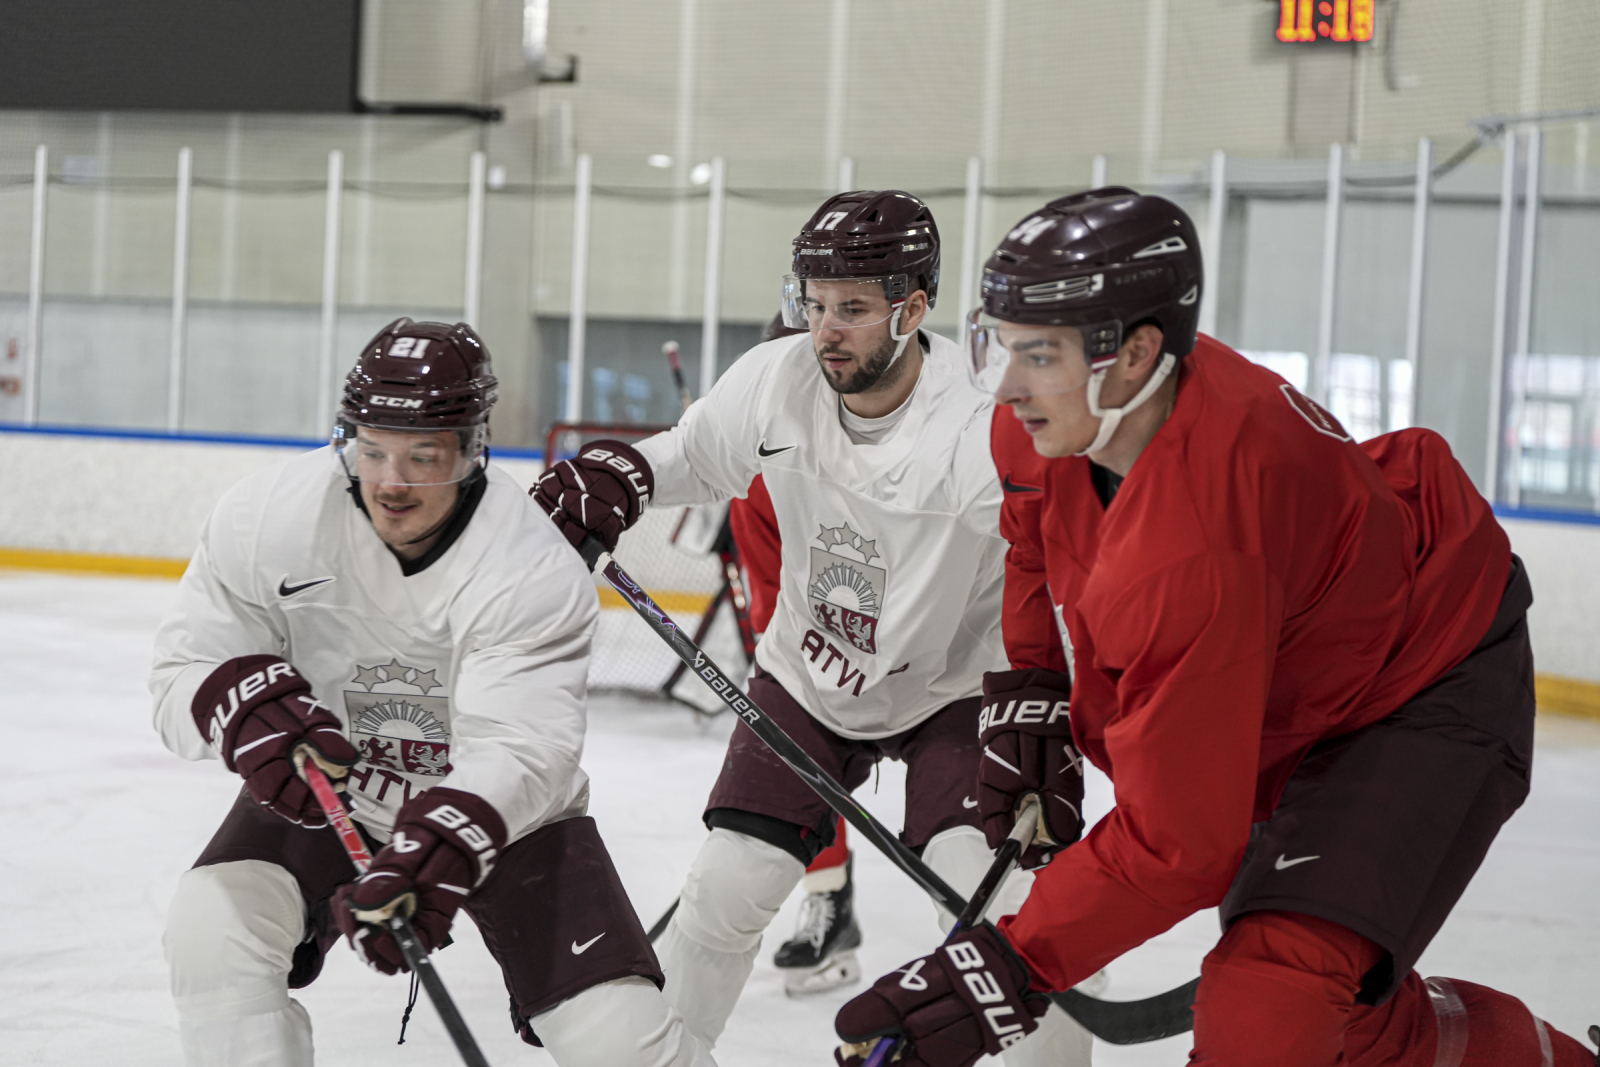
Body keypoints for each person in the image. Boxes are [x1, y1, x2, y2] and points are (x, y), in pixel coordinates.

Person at [834, 188, 1599, 1067]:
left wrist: (1006, 968)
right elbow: (1035, 543)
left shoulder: (1201, 536)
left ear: (1136, 354)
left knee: (1270, 1003)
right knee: (1326, 1012)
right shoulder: (1052, 423)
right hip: (1304, 679)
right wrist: (1037, 689)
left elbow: (1178, 843)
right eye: (1000, 345)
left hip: (1425, 678)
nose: (1006, 386)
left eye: (1037, 356)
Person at [535, 190, 1093, 1064]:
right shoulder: (776, 377)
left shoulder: (977, 417)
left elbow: (1064, 552)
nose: (825, 329)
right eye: (815, 302)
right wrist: (623, 476)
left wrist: (1053, 694)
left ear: (913, 309)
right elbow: (692, 454)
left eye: (854, 309)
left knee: (997, 910)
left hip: (957, 688)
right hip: (809, 678)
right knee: (726, 890)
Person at [150, 319, 715, 1067]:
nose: (391, 481)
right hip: (333, 789)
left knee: (620, 1040)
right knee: (209, 931)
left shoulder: (528, 562)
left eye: (422, 457)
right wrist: (235, 708)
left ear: (472, 450)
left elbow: (521, 747)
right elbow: (180, 670)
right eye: (371, 449)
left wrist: (443, 840)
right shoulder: (267, 517)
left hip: (505, 820)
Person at [731, 315, 865, 996]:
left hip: (938, 654)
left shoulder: (913, 454)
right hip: (829, 653)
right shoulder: (759, 482)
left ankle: (1029, 920)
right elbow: (769, 598)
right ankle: (830, 903)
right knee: (797, 763)